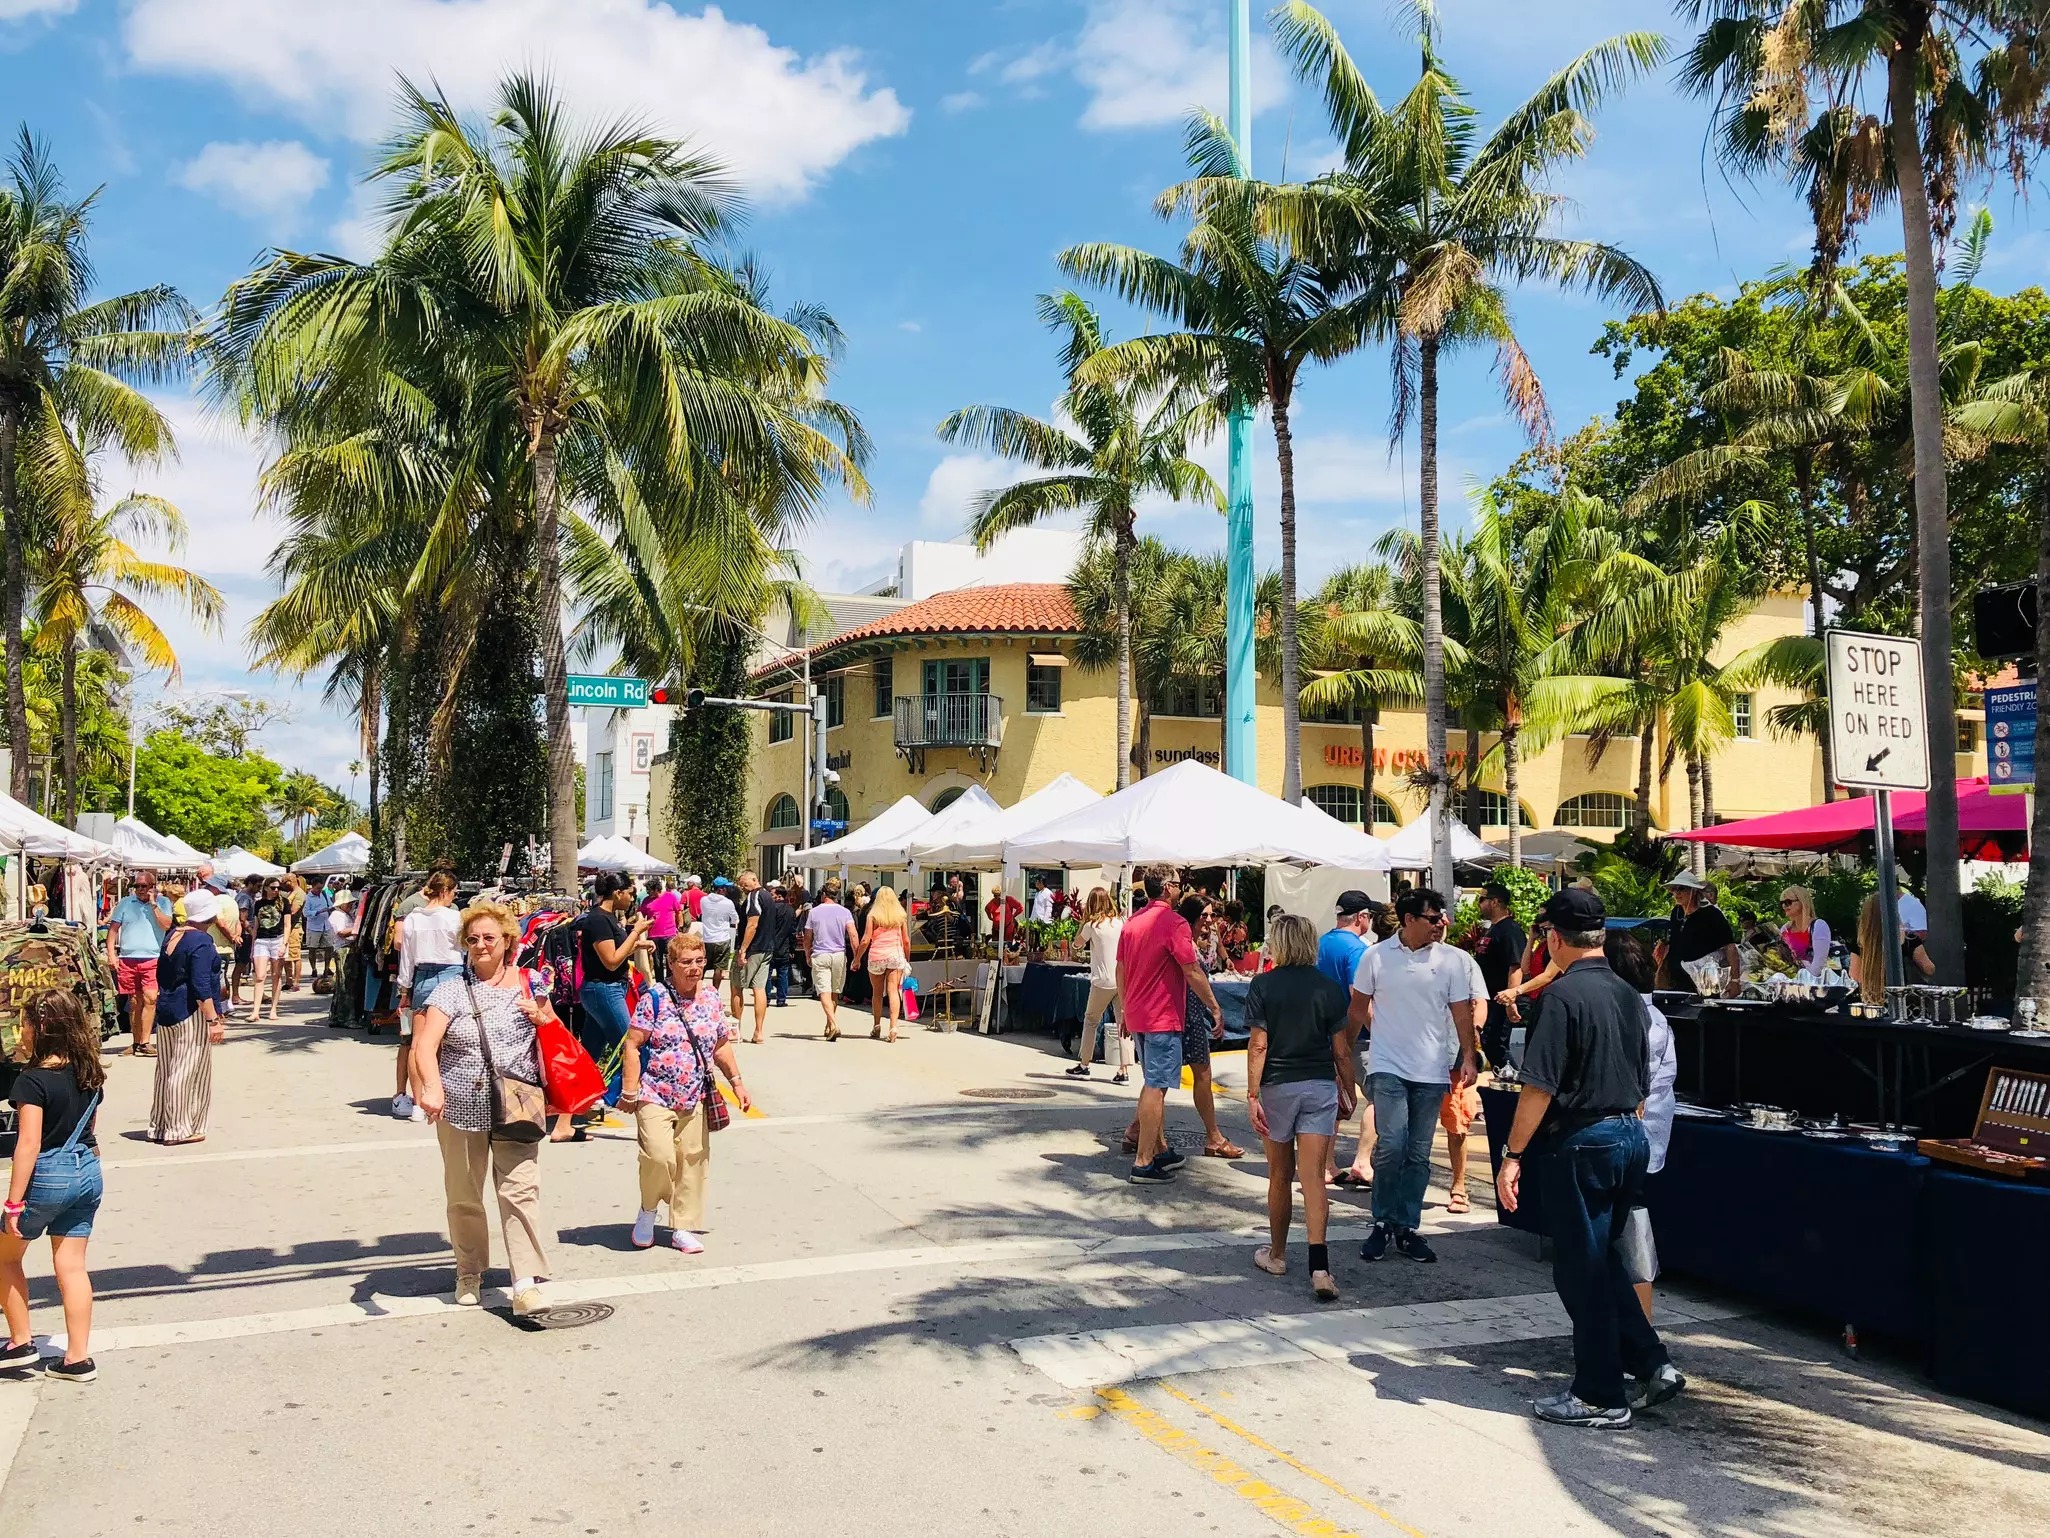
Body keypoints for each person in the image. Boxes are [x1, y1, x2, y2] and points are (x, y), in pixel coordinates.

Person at [1495, 888, 1682, 1428]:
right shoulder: (1629, 995)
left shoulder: (1563, 997)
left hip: (1584, 1140)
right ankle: (1650, 1362)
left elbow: (1538, 1088)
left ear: (1554, 937)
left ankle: (1600, 1393)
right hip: (1629, 1134)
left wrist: (1513, 1154)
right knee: (1605, 1265)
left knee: (1582, 1272)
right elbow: (1643, 1081)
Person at [410, 900, 560, 1315]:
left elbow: (557, 1037)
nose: (480, 945)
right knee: (464, 1195)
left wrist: (543, 1019)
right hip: (459, 1106)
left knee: (520, 1192)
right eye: (472, 938)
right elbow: (425, 1045)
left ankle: (526, 1283)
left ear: (508, 941)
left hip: (517, 1105)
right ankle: (469, 1270)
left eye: (489, 937)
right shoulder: (451, 988)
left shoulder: (531, 984)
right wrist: (433, 1087)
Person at [1347, 888, 1479, 1264]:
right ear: (1408, 920)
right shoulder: (1375, 957)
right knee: (1392, 1147)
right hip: (1387, 1066)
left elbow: (1461, 1013)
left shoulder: (1452, 961)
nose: (1441, 924)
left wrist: (1469, 1056)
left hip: (1432, 1071)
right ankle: (1381, 1222)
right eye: (1433, 918)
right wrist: (1341, 1055)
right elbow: (1357, 1010)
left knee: (1419, 1153)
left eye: (1441, 918)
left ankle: (1406, 1227)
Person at [621, 932, 752, 1253]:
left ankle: (682, 1226)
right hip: (654, 1093)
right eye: (686, 962)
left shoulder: (709, 999)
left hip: (695, 1094)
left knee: (693, 1160)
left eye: (699, 961)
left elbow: (720, 1045)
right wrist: (628, 1090)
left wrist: (736, 1081)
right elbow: (633, 1043)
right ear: (671, 964)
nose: (694, 968)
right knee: (658, 1155)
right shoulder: (654, 997)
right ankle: (649, 1210)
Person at [1245, 914, 1353, 1302]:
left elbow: (1259, 1044)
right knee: (1312, 1177)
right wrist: (1350, 1089)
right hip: (1320, 1085)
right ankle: (1320, 1267)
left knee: (1279, 1174)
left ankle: (1276, 1255)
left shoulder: (1263, 985)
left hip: (1277, 1087)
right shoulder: (1328, 987)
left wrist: (1252, 1094)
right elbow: (1341, 1049)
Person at [2, 990, 106, 1384]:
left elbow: (27, 1145)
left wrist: (14, 1204)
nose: (21, 1031)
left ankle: (20, 1341)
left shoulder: (32, 1081)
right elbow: (90, 1130)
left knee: (5, 1256)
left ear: (40, 1029)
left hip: (47, 1176)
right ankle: (77, 1359)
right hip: (87, 1174)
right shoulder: (89, 1072)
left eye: (24, 1023)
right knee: (72, 1266)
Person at [1118, 867, 1222, 1185]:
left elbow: (1120, 968)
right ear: (1166, 888)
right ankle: (1144, 1160)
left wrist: (1123, 1008)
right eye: (1178, 885)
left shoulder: (1132, 922)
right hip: (1162, 1014)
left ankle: (1157, 1148)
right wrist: (1214, 1007)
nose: (1181, 889)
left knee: (1153, 1081)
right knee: (1157, 1085)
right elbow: (1191, 970)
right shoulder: (1174, 923)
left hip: (1137, 1013)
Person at [1603, 927, 1676, 1323]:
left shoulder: (1637, 1018)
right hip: (1636, 1145)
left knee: (1629, 1242)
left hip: (1625, 1145)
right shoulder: (1651, 1015)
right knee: (1629, 1238)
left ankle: (1639, 1336)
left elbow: (1637, 1090)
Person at [566, 873, 651, 1139]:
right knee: (634, 1049)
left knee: (590, 1056)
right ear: (616, 893)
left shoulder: (605, 919)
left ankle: (568, 1115)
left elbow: (614, 952)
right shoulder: (599, 921)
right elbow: (612, 960)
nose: (631, 897)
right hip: (604, 990)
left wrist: (636, 943)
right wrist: (636, 932)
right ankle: (647, 1113)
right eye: (629, 891)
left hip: (605, 990)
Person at [148, 892, 227, 1144]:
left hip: (168, 1008)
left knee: (167, 1069)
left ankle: (160, 1125)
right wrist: (213, 1019)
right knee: (189, 1070)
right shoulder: (201, 941)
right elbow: (201, 983)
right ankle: (179, 1128)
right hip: (190, 1011)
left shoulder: (174, 934)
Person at [1173, 893, 1242, 1159]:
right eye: (1205, 915)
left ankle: (1136, 1129)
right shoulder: (1185, 944)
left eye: (1212, 915)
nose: (1210, 920)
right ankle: (1214, 1136)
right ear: (1192, 916)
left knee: (1164, 1080)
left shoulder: (1187, 941)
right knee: (1198, 1076)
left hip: (1187, 1015)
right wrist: (1215, 1009)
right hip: (1187, 1017)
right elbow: (1193, 976)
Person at [1318, 891, 1378, 1191]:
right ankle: (1363, 1161)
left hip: (1324, 1034)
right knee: (1379, 1097)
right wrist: (1381, 1030)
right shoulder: (1357, 950)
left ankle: (1327, 1164)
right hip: (1358, 1038)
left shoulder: (1321, 942)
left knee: (1334, 1100)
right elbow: (1360, 996)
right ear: (1361, 917)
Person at [395, 873, 463, 1122]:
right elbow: (464, 950)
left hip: (422, 976)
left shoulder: (413, 918)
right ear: (446, 891)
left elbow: (407, 958)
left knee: (418, 1044)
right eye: (454, 892)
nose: (455, 897)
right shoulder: (454, 917)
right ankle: (447, 1096)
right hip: (451, 974)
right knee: (450, 1040)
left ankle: (417, 1102)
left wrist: (404, 990)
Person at [106, 870, 172, 1056]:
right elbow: (113, 930)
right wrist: (112, 954)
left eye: (144, 886)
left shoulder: (164, 903)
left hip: (153, 957)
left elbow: (166, 925)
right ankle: (136, 1042)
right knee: (134, 1001)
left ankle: (146, 1041)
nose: (140, 889)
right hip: (128, 958)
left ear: (153, 886)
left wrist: (154, 905)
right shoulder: (126, 903)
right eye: (137, 886)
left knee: (151, 998)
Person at [1068, 886, 1128, 1083]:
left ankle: (1084, 1064)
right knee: (1123, 1024)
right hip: (1121, 980)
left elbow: (1076, 945)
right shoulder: (1120, 921)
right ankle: (1124, 1070)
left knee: (1091, 1020)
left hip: (1102, 981)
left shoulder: (1091, 926)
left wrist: (1082, 925)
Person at [1472, 882, 1527, 1069]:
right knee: (1489, 1043)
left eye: (1482, 899)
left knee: (1496, 1045)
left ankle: (1515, 1084)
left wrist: (1510, 1000)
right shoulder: (1494, 928)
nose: (1479, 904)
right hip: (1489, 999)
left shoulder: (1509, 930)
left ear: (1495, 902)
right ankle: (1508, 1084)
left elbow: (1516, 966)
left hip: (1501, 999)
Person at [1656, 871, 1739, 995]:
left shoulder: (1711, 914)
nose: (1677, 892)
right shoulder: (1676, 912)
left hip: (1704, 980)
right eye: (1674, 889)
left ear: (1693, 891)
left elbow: (1730, 946)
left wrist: (1735, 980)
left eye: (1682, 888)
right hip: (1677, 979)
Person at [851, 885, 912, 1042]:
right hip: (895, 955)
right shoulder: (900, 916)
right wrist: (906, 957)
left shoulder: (873, 915)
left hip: (877, 956)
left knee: (877, 993)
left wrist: (857, 959)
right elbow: (906, 940)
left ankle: (877, 1025)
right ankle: (893, 1027)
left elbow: (865, 939)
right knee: (893, 991)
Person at [1850, 891, 1936, 1001]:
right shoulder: (1909, 940)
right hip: (1905, 1003)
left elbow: (1855, 976)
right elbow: (1929, 968)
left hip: (1873, 1002)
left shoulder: (1860, 943)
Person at [803, 884, 855, 1039]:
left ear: (824, 895)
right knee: (834, 992)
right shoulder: (845, 912)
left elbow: (807, 937)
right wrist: (857, 956)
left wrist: (807, 953)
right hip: (839, 954)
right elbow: (853, 935)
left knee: (823, 991)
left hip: (821, 954)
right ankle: (829, 1025)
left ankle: (833, 1024)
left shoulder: (814, 912)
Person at [249, 876, 290, 1022]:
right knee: (260, 976)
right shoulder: (258, 904)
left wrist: (284, 944)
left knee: (276, 975)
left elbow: (287, 925)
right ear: (266, 888)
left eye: (278, 888)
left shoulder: (284, 902)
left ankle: (273, 1009)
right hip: (262, 940)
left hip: (278, 939)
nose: (276, 890)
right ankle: (255, 1011)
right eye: (273, 888)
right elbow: (256, 926)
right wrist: (252, 947)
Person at [1776, 885, 1832, 971]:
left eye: (1788, 902)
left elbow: (1819, 963)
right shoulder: (1785, 929)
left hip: (1812, 981)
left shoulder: (1818, 926)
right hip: (1790, 980)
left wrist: (1806, 982)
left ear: (1802, 902)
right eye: (1782, 903)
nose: (1784, 906)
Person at [698, 877, 740, 990]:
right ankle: (715, 991)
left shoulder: (704, 900)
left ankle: (697, 989)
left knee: (702, 966)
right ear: (721, 889)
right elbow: (735, 919)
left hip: (707, 939)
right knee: (719, 969)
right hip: (722, 939)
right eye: (726, 888)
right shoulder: (728, 903)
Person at [303, 878, 335, 986]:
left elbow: (330, 905)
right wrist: (317, 912)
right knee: (312, 948)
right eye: (318, 888)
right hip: (314, 926)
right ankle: (314, 968)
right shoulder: (308, 898)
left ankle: (327, 968)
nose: (319, 890)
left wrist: (330, 909)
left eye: (321, 888)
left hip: (326, 925)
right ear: (313, 887)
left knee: (329, 947)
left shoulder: (324, 894)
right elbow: (305, 913)